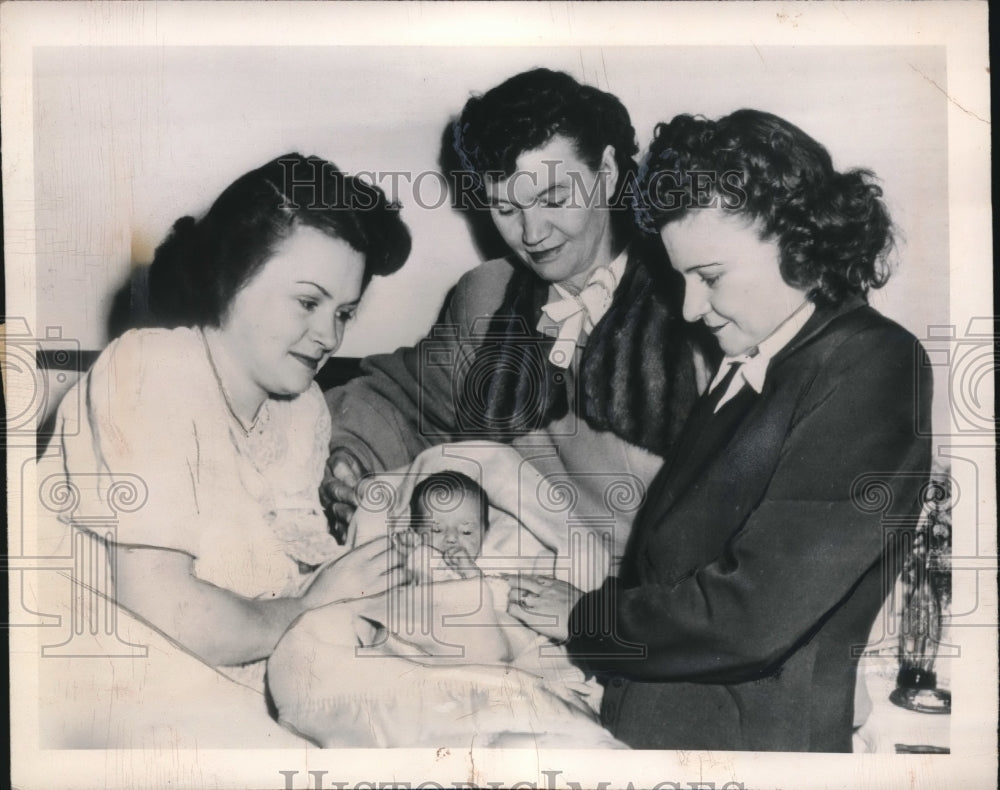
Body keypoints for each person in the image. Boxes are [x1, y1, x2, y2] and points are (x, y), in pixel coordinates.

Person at [505, 109, 933, 752]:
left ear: (799, 239)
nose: (690, 308)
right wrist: (590, 613)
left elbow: (750, 615)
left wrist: (585, 618)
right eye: (681, 280)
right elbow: (678, 566)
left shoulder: (873, 364)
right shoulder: (759, 362)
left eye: (709, 277)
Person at [321, 69, 709, 573]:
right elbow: (400, 400)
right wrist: (353, 457)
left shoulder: (696, 300)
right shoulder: (488, 295)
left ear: (607, 173)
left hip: (652, 601)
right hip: (509, 579)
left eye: (552, 199)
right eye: (505, 207)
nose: (532, 233)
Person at [55, 153, 412, 689]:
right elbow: (165, 615)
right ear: (231, 277)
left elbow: (295, 583)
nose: (331, 337)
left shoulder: (303, 410)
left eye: (343, 312)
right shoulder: (151, 370)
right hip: (114, 677)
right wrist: (314, 607)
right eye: (308, 301)